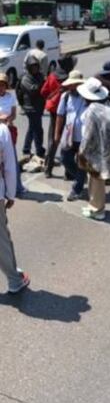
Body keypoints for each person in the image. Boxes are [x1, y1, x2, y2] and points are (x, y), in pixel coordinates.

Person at [77, 77, 110, 221]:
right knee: (94, 179)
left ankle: (98, 210)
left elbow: (88, 135)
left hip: (95, 151)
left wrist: (81, 151)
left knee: (96, 182)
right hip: (105, 149)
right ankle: (93, 205)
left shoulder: (93, 111)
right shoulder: (105, 105)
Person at [0, 124, 28, 295]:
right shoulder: (2, 131)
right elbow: (10, 167)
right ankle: (14, 280)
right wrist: (11, 194)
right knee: (1, 240)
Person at [55, 71, 87, 201]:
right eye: (71, 84)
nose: (72, 87)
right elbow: (60, 115)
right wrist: (57, 134)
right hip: (69, 136)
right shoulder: (65, 96)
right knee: (65, 159)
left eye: (74, 84)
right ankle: (81, 177)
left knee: (82, 163)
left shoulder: (88, 96)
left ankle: (76, 189)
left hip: (84, 137)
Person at [41, 56, 75, 178]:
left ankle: (48, 169)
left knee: (52, 140)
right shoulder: (71, 78)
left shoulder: (52, 76)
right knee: (68, 141)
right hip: (68, 112)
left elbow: (43, 92)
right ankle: (68, 172)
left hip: (54, 111)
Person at [18, 58, 46, 160]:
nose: (35, 69)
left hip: (39, 107)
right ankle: (39, 150)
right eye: (32, 67)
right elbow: (32, 90)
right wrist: (42, 83)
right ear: (29, 68)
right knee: (38, 130)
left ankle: (26, 149)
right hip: (31, 108)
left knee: (32, 128)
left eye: (36, 66)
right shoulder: (25, 78)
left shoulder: (39, 75)